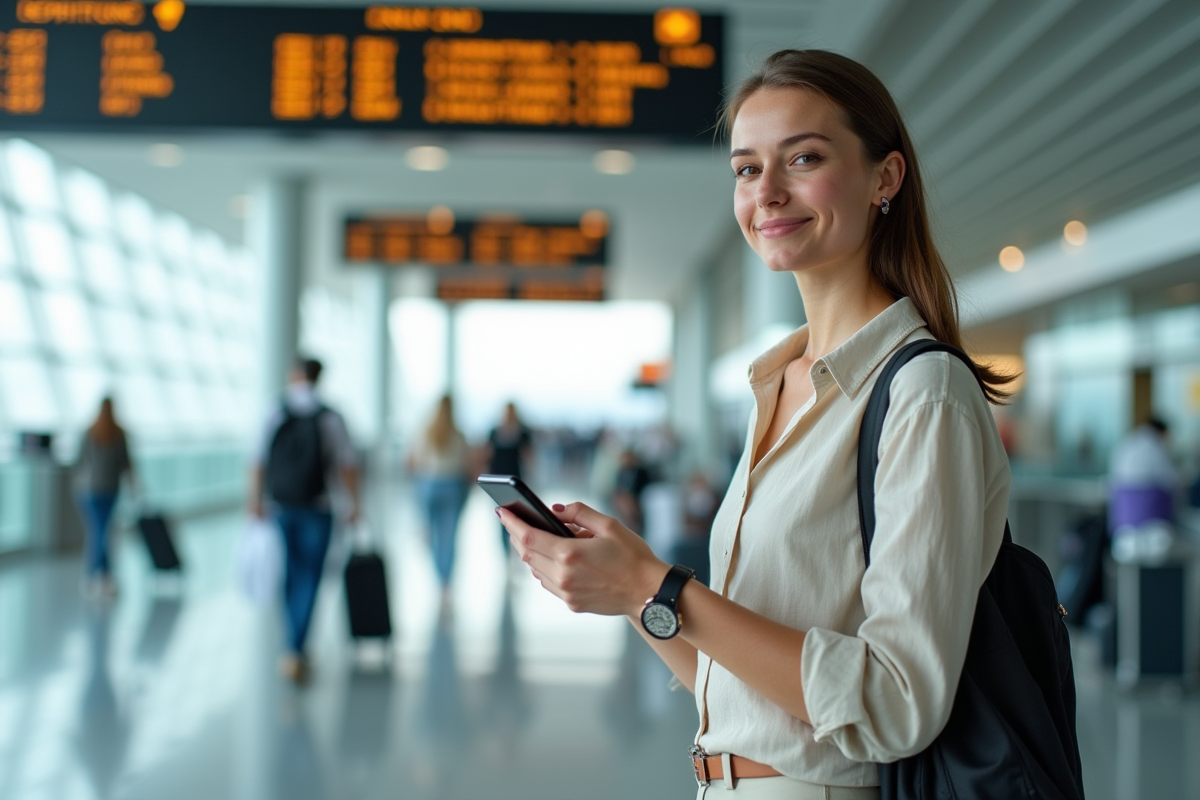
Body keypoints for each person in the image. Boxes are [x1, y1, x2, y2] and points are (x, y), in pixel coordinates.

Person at [499, 50, 1014, 798]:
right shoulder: (781, 387)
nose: (766, 192)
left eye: (803, 158)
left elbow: (898, 704)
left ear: (885, 178)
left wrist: (661, 583)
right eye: (746, 169)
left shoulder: (921, 393)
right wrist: (638, 593)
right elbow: (742, 690)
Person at [249, 357, 361, 684]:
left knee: (288, 572)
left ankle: (291, 645)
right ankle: (297, 646)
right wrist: (355, 503)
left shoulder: (274, 411)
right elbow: (347, 463)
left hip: (280, 505)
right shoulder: (330, 417)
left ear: (293, 375)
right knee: (311, 575)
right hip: (319, 505)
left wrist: (254, 500)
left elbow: (257, 460)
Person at [407, 395, 471, 612]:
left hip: (429, 485)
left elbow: (412, 462)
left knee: (432, 535)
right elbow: (467, 465)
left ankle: (439, 577)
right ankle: (445, 583)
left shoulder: (425, 433)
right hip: (452, 485)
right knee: (449, 536)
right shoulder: (459, 435)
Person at [75, 397, 137, 599]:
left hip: (92, 489)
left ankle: (97, 576)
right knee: (102, 532)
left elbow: (80, 462)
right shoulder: (118, 434)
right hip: (108, 489)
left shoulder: (91, 432)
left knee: (99, 532)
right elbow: (127, 464)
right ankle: (102, 576)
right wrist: (134, 485)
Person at [1108, 417, 1179, 533]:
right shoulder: (1154, 447)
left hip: (1122, 519)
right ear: (1162, 432)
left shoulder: (1128, 441)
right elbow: (1171, 480)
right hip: (1148, 519)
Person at [485, 401, 533, 551]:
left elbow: (528, 456)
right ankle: (506, 551)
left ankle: (516, 548)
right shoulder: (494, 432)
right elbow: (488, 454)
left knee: (516, 517)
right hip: (498, 481)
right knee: (503, 517)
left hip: (515, 482)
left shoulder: (523, 432)